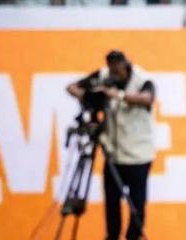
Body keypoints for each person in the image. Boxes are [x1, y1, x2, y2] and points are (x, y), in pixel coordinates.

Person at [66, 51, 155, 240]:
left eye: (118, 71)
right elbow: (72, 87)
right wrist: (90, 97)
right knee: (112, 203)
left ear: (126, 65)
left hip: (138, 155)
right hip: (114, 155)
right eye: (111, 70)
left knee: (137, 204)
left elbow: (147, 98)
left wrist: (117, 95)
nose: (114, 74)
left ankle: (134, 236)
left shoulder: (142, 79)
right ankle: (112, 236)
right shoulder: (104, 75)